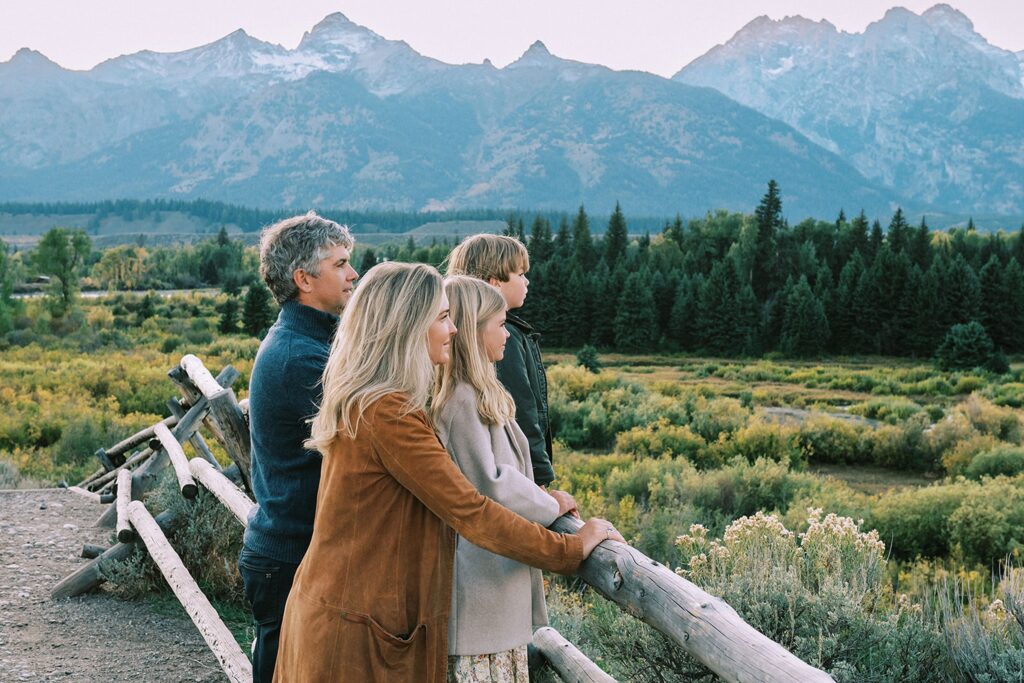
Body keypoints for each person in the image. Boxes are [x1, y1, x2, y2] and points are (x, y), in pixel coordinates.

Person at [274, 262, 622, 682]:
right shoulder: (389, 414)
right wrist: (566, 550)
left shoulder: (370, 400)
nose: (454, 330)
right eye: (442, 317)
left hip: (339, 609)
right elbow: (471, 511)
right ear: (406, 327)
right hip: (357, 628)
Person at [431, 275, 577, 682]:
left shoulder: (477, 393)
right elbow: (492, 482)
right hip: (478, 581)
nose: (507, 334)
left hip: (492, 576)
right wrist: (552, 506)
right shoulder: (461, 401)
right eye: (499, 324)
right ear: (475, 332)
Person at [239, 211, 358, 683]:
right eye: (341, 264)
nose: (353, 275)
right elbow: (372, 433)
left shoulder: (310, 344)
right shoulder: (301, 358)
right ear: (303, 278)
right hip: (291, 555)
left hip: (291, 549)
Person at [446, 235, 555, 487]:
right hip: (514, 479)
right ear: (494, 283)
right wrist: (540, 479)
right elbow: (523, 411)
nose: (527, 281)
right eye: (520, 274)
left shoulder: (455, 332)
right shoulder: (505, 340)